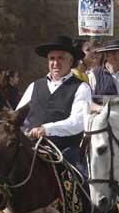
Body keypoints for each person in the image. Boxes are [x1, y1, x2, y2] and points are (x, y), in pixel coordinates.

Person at [16, 35, 93, 168]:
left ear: (70, 61)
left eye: (60, 58)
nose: (55, 63)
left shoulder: (81, 87)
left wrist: (47, 129)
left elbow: (78, 122)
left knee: (82, 183)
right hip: (32, 150)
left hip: (65, 153)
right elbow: (18, 116)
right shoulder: (34, 86)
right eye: (52, 58)